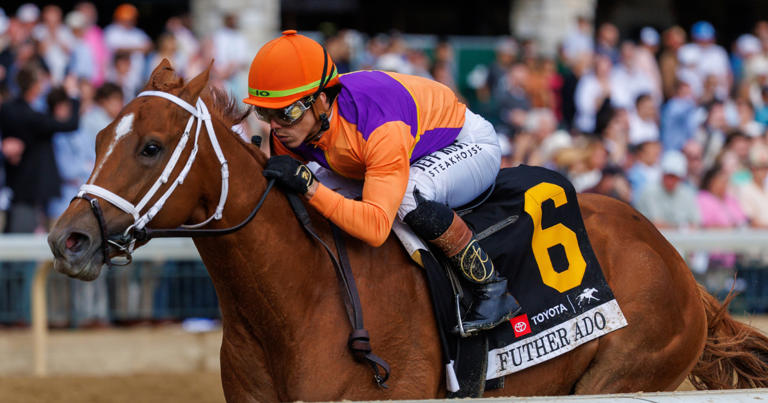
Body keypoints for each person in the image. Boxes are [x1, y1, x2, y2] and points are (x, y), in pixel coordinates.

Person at [243, 31, 519, 335]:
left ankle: (491, 287)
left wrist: (311, 187)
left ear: (320, 101)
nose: (275, 126)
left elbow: (375, 229)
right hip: (390, 151)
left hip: (466, 143)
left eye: (286, 112)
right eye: (264, 113)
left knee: (407, 195)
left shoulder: (378, 124)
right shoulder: (293, 128)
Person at [0, 63, 79, 233]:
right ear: (35, 86)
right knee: (22, 241)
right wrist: (73, 94)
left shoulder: (9, 109)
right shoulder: (31, 117)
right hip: (28, 190)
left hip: (18, 185)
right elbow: (70, 124)